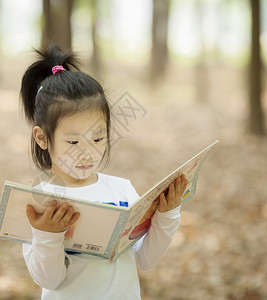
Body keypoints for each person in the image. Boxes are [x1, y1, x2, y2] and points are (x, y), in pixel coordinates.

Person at [19, 44, 188, 300]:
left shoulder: (121, 190)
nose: (87, 153)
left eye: (98, 139)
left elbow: (145, 260)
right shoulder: (40, 202)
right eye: (73, 142)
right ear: (42, 137)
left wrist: (167, 214)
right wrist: (47, 235)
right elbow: (49, 279)